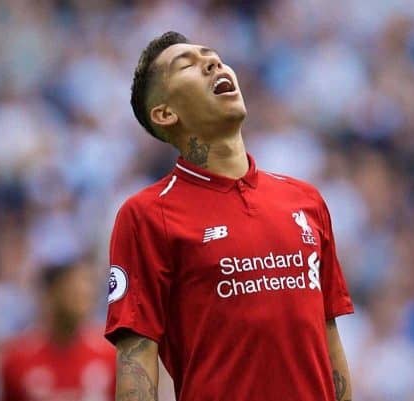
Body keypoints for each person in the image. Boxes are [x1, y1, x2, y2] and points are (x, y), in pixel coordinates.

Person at [105, 31, 354, 401]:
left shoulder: (305, 200)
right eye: (187, 65)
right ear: (166, 113)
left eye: (214, 57)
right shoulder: (147, 215)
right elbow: (135, 360)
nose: (213, 63)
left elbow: (327, 336)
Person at [0, 261, 116, 401]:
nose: (83, 295)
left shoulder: (109, 356)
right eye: (73, 290)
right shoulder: (17, 359)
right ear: (50, 294)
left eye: (87, 289)